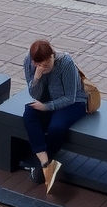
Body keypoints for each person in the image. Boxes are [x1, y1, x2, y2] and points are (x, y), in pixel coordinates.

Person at [20, 39, 88, 192]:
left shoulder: (65, 62)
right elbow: (33, 94)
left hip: (73, 103)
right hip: (46, 102)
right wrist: (37, 77)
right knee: (29, 114)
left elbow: (70, 97)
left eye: (46, 64)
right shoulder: (29, 62)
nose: (44, 67)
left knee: (56, 127)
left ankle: (39, 164)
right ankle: (45, 164)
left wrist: (46, 107)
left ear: (52, 55)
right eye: (39, 65)